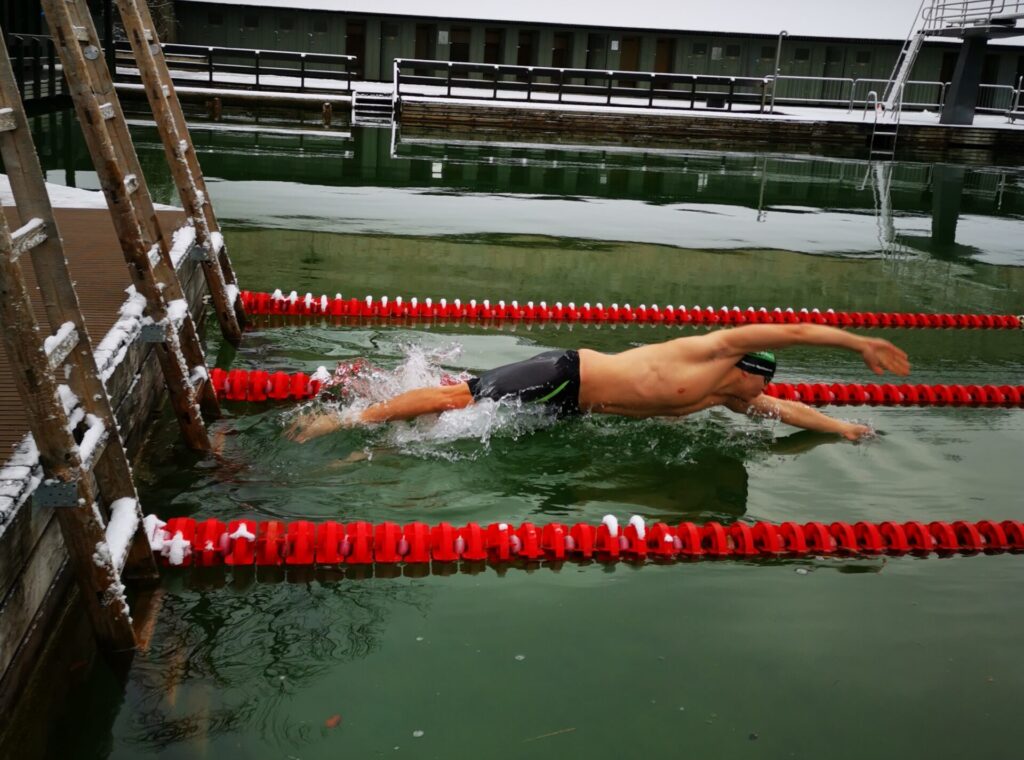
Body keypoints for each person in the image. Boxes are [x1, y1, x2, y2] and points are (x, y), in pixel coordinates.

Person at [286, 323, 910, 443]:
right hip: (567, 373)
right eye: (760, 387)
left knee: (459, 423)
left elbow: (790, 413)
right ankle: (341, 421)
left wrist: (845, 429)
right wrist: (858, 343)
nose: (762, 400)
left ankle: (385, 412)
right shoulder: (714, 353)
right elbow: (794, 333)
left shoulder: (730, 396)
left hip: (571, 412)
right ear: (749, 369)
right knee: (462, 399)